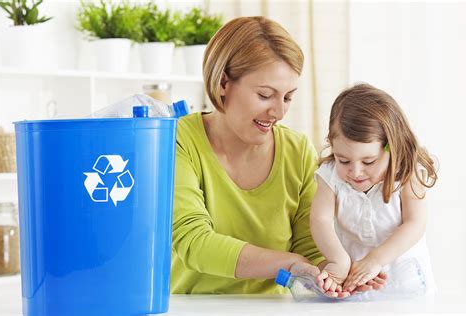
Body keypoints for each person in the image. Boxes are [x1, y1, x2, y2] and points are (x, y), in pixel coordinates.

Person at [170, 16, 385, 295]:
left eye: (287, 98)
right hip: (193, 308)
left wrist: (335, 275)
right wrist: (290, 264)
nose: (279, 113)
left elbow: (310, 246)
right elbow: (194, 242)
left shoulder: (298, 151)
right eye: (265, 95)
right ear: (223, 83)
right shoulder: (178, 141)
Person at [310, 83, 438, 298]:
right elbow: (319, 220)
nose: (356, 172)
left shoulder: (408, 172)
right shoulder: (329, 175)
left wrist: (375, 259)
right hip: (357, 284)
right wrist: (338, 260)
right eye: (344, 160)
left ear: (392, 146)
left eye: (369, 161)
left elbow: (415, 224)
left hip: (408, 284)